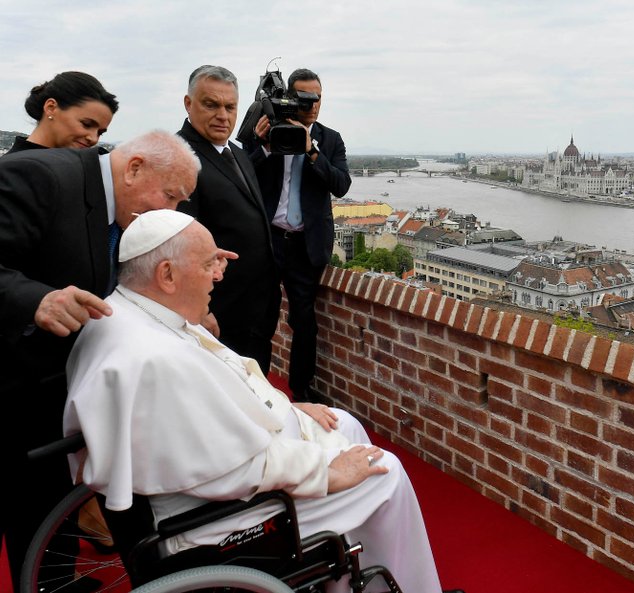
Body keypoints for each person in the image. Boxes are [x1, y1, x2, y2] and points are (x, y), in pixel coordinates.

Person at [63, 210, 446, 593]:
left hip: (201, 485)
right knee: (386, 471)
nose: (218, 274)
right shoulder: (156, 358)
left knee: (340, 421)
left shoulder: (122, 313)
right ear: (166, 275)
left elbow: (212, 411)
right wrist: (326, 474)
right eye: (208, 263)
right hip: (213, 518)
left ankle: (343, 581)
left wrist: (289, 411)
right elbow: (236, 468)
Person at [0, 130, 200, 590]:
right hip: (13, 382)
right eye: (170, 196)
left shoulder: (119, 207)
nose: (170, 212)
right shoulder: (38, 176)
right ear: (134, 168)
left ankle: (56, 581)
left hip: (57, 386)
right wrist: (36, 300)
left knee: (52, 496)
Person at [247, 68, 352, 403]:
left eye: (318, 97)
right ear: (290, 98)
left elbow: (341, 185)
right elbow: (241, 173)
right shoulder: (264, 128)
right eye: (305, 97)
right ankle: (256, 386)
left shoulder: (330, 139)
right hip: (269, 240)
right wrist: (263, 145)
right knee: (261, 317)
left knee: (305, 323)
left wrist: (312, 151)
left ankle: (301, 390)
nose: (312, 104)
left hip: (305, 245)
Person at [177, 65, 281, 373]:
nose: (223, 115)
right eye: (211, 104)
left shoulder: (237, 153)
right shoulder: (180, 157)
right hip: (218, 309)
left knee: (255, 384)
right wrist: (201, 308)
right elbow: (179, 240)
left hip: (256, 306)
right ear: (188, 104)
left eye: (230, 106)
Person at [8, 71, 118, 153]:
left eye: (100, 133)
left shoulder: (91, 164)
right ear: (51, 108)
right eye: (86, 124)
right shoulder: (11, 171)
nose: (93, 139)